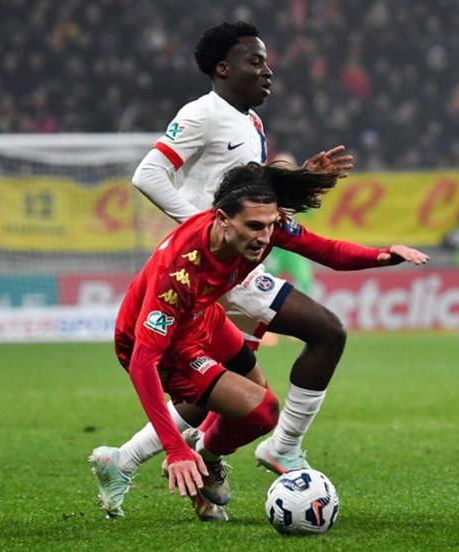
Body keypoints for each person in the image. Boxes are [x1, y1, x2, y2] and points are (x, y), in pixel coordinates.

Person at [87, 21, 360, 520]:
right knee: (323, 333)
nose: (267, 69)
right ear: (223, 67)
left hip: (231, 262)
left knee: (223, 391)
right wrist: (206, 232)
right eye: (255, 61)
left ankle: (127, 460)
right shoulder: (201, 114)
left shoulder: (251, 123)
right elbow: (147, 173)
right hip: (215, 261)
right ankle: (272, 449)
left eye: (266, 60)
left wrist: (300, 181)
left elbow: (245, 192)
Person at [108, 162, 428, 521]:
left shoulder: (261, 227)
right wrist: (174, 450)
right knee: (262, 411)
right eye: (255, 227)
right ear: (222, 220)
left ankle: (189, 459)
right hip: (161, 344)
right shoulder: (179, 271)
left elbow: (328, 251)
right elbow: (141, 361)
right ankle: (188, 458)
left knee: (244, 392)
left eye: (270, 226)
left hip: (203, 317)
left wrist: (384, 256)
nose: (264, 238)